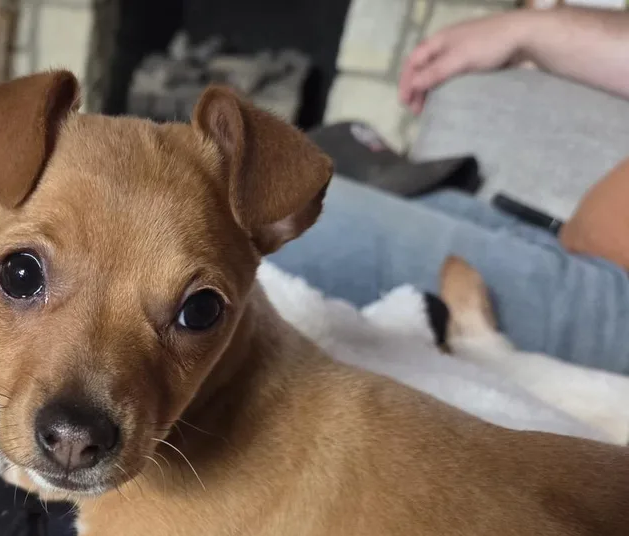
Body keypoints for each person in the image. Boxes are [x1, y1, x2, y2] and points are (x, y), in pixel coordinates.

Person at [270, 7, 629, 375]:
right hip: (567, 238)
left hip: (611, 310)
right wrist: (529, 29)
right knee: (316, 173)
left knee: (260, 215)